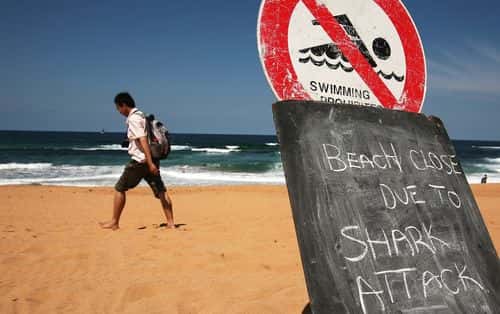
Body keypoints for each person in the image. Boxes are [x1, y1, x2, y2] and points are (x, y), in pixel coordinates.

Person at [100, 92, 174, 230]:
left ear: (123, 105)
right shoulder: (142, 115)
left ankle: (114, 222)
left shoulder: (134, 118)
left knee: (119, 188)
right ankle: (171, 223)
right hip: (151, 159)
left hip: (140, 161)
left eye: (118, 108)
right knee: (161, 191)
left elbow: (143, 140)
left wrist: (149, 162)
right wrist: (152, 161)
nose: (119, 111)